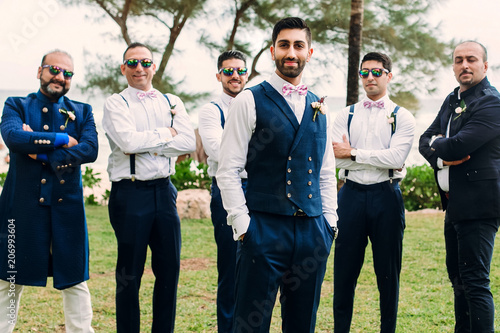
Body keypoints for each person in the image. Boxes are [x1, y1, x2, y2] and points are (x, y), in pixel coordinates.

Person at [216, 17, 338, 332]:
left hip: (312, 231)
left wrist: (330, 225)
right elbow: (227, 170)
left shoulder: (319, 105)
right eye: (284, 45)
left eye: (299, 45)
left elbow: (325, 172)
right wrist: (243, 227)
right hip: (263, 229)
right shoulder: (249, 99)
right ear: (273, 50)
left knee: (302, 325)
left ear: (310, 52)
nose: (291, 52)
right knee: (250, 325)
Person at [0, 50, 98, 332]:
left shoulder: (83, 110)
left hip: (67, 208)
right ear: (40, 70)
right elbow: (14, 138)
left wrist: (40, 153)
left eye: (68, 73)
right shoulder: (15, 104)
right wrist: (64, 139)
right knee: (8, 279)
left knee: (75, 281)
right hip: (20, 209)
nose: (60, 77)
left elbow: (90, 149)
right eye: (54, 69)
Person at [102, 42, 196, 333]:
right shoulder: (116, 103)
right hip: (130, 195)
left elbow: (189, 143)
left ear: (153, 66)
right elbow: (128, 143)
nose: (139, 68)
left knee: (169, 270)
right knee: (129, 274)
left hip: (165, 193)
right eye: (132, 63)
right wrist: (167, 135)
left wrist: (149, 143)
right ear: (123, 69)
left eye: (144, 62)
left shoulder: (171, 101)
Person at [419, 41, 500, 333]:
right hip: (454, 205)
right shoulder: (453, 98)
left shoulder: (491, 102)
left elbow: (458, 146)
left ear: (485, 65)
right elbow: (423, 141)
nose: (464, 65)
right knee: (458, 281)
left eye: (471, 59)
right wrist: (440, 153)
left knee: (475, 281)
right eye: (458, 60)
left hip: (479, 205)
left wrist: (438, 145)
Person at [332, 52, 415, 333]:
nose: (370, 77)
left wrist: (353, 152)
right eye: (364, 72)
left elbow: (396, 159)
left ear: (388, 76)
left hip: (387, 196)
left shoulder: (402, 117)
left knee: (388, 274)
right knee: (344, 273)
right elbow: (335, 157)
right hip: (350, 195)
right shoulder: (345, 114)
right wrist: (371, 156)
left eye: (377, 72)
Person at [198, 50, 249, 333]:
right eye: (228, 71)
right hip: (226, 190)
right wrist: (255, 156)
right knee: (230, 267)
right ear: (219, 75)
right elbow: (218, 152)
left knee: (256, 268)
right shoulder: (211, 111)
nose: (235, 76)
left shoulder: (255, 105)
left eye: (239, 70)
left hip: (258, 191)